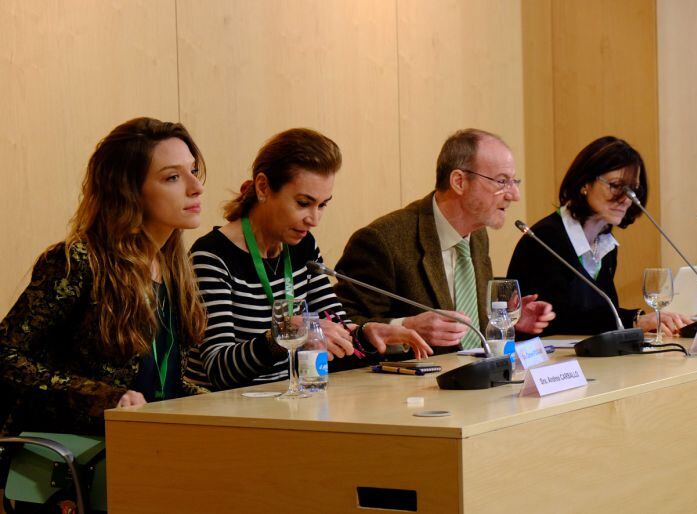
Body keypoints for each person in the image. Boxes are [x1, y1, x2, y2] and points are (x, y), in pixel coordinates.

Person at [0, 117, 209, 436]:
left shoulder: (172, 268)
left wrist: (226, 405)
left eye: (193, 171)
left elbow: (164, 384)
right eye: (172, 178)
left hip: (150, 440)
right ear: (129, 192)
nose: (196, 187)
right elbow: (6, 356)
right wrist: (104, 398)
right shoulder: (79, 260)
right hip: (81, 455)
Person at [185, 128, 430, 391]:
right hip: (222, 415)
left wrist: (367, 334)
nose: (314, 219)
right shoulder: (211, 256)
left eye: (322, 205)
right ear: (263, 187)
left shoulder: (303, 247)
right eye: (303, 203)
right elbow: (219, 370)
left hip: (285, 405)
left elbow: (333, 327)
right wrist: (283, 334)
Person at [334, 129, 555, 352]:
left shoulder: (477, 234)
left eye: (514, 181)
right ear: (459, 182)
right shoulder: (382, 241)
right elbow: (343, 323)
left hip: (476, 380)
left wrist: (506, 318)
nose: (514, 195)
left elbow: (467, 327)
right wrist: (406, 327)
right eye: (501, 181)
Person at [506, 135, 691, 336]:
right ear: (585, 183)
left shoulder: (605, 243)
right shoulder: (544, 239)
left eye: (632, 190)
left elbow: (601, 316)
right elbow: (558, 321)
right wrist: (634, 320)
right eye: (616, 185)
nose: (626, 200)